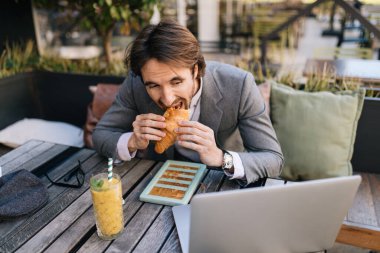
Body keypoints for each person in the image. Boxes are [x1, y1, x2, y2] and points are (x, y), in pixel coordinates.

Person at [93, 20, 283, 185]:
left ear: (196, 70)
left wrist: (221, 158)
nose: (167, 99)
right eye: (154, 86)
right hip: (157, 184)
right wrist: (132, 141)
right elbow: (101, 135)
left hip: (220, 184)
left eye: (176, 82)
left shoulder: (239, 85)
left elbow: (273, 159)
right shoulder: (136, 83)